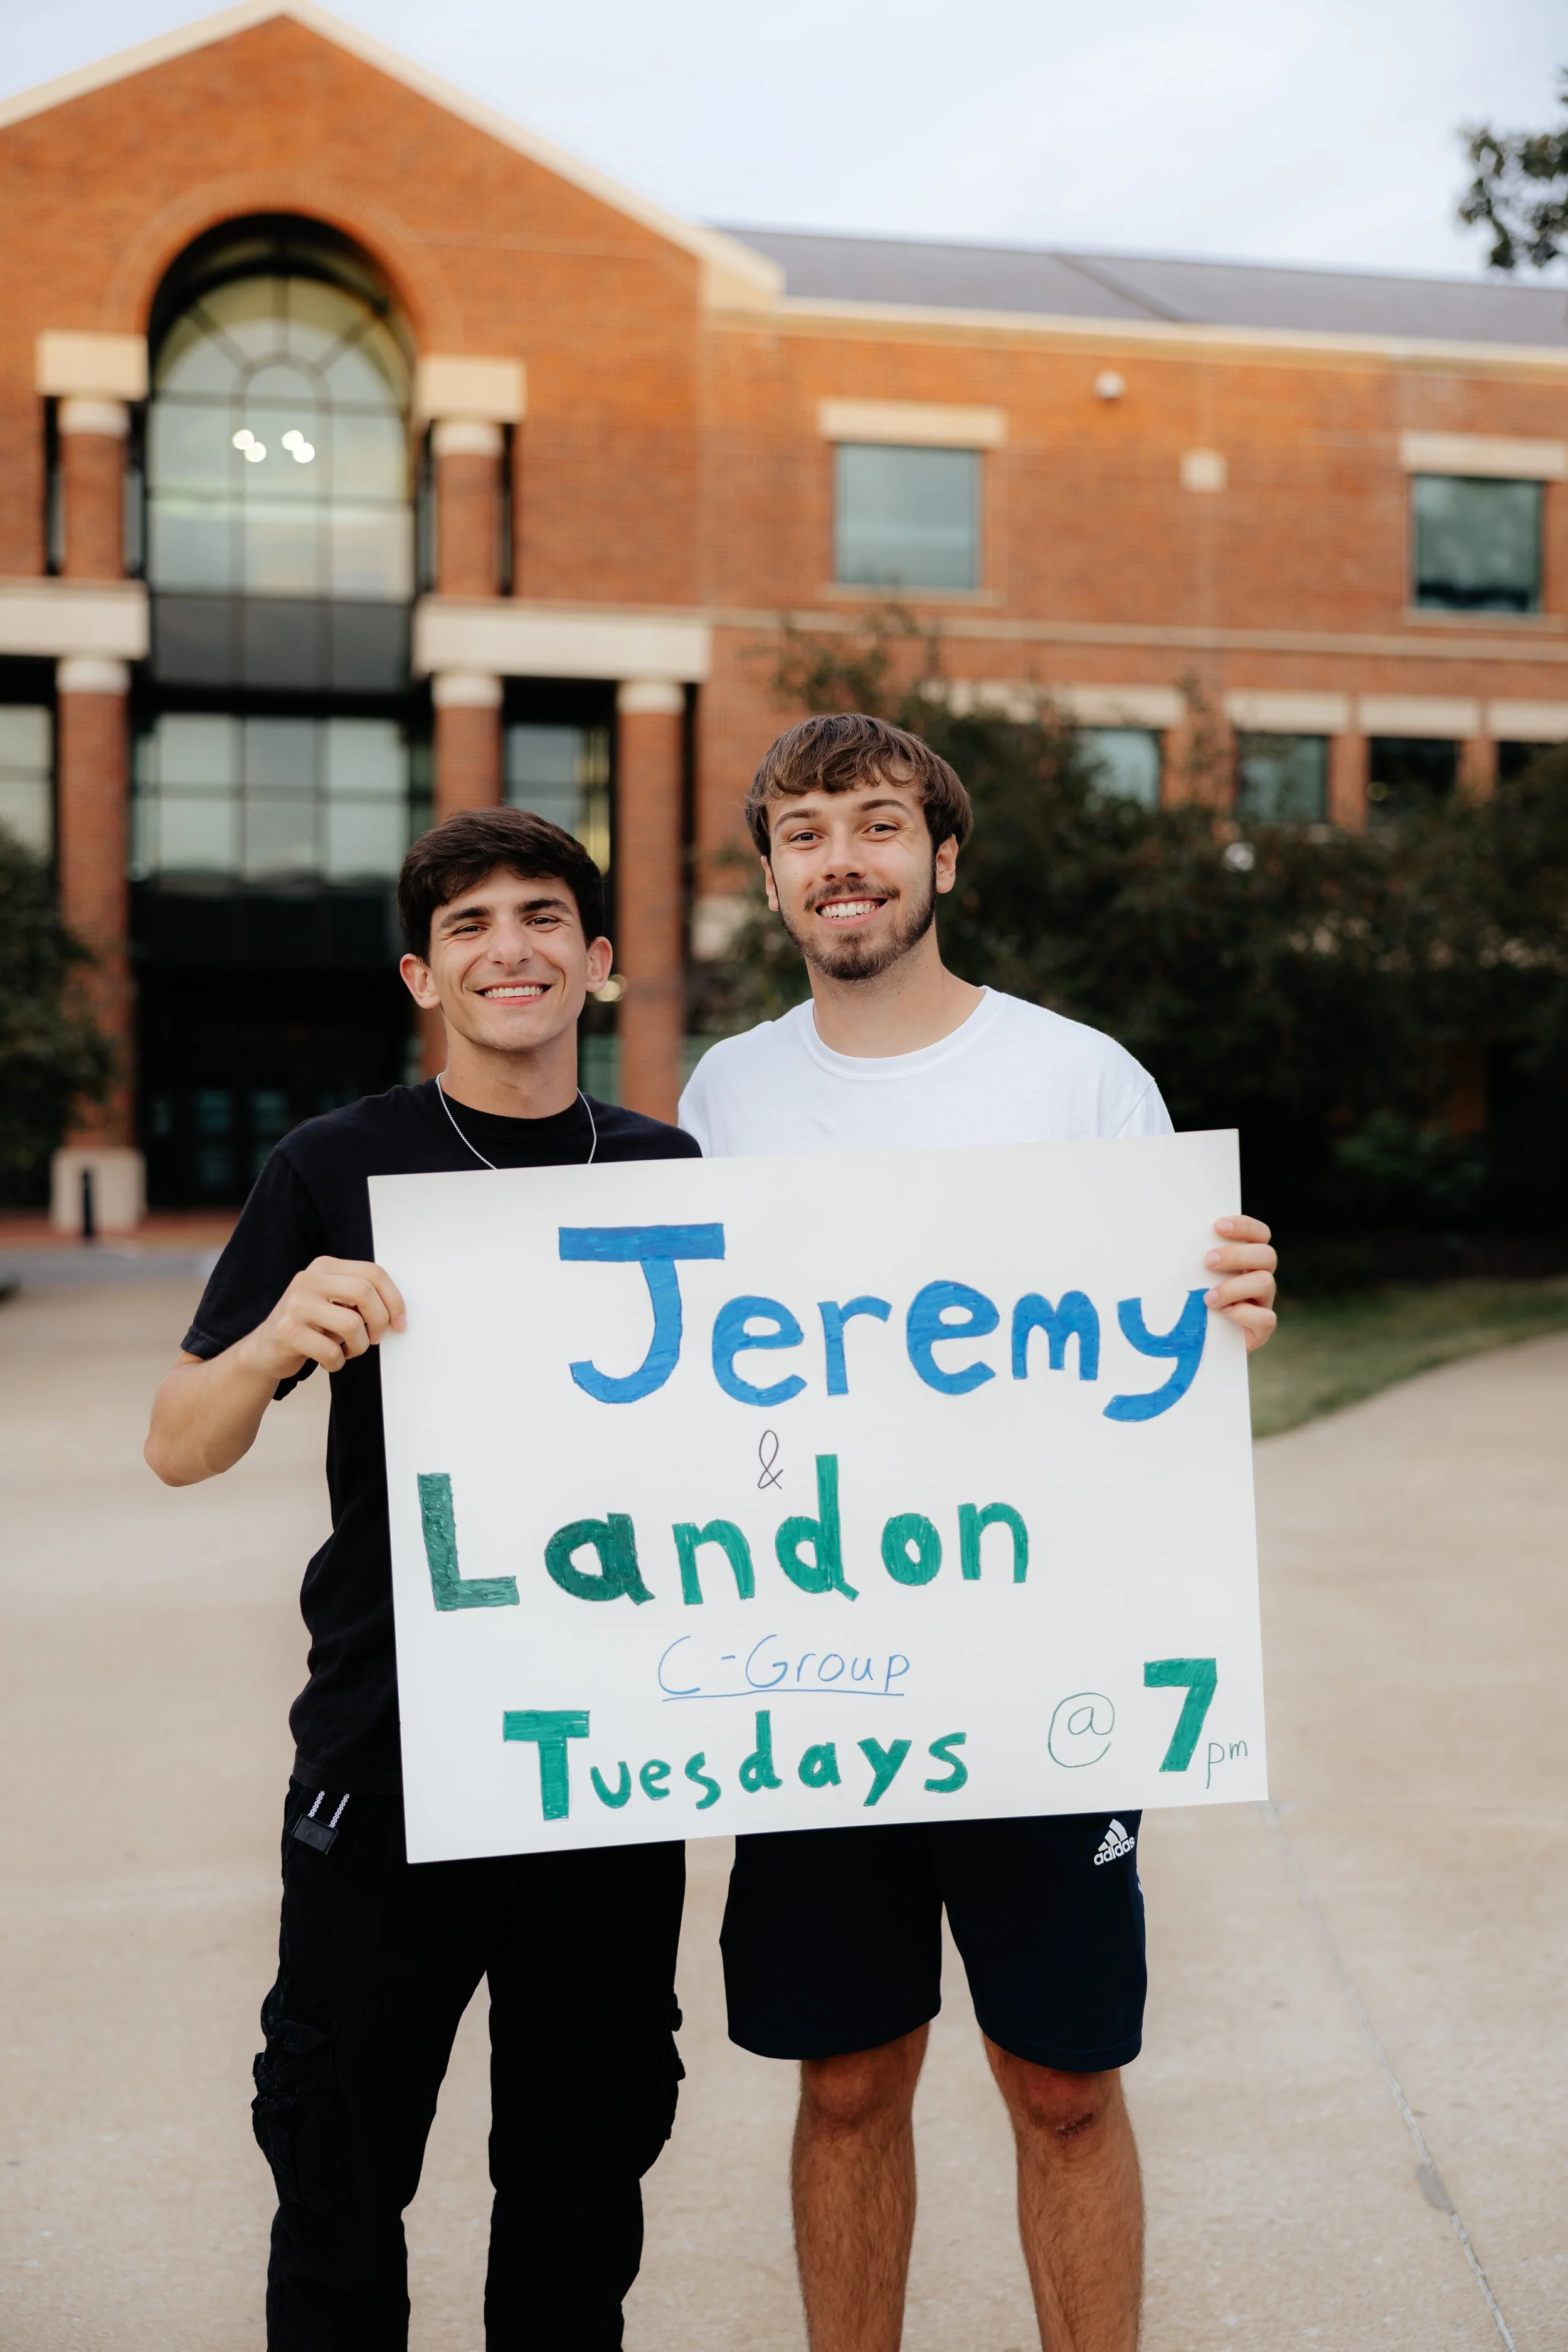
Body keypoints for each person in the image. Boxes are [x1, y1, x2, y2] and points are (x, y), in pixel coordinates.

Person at [677, 713, 1279, 2352]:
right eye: (805, 834)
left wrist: (1227, 1301)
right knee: (851, 2073)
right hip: (816, 1666)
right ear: (773, 877)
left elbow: (1165, 1340)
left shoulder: (1076, 1077)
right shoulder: (723, 1092)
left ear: (943, 857)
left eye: (876, 825)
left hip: (1042, 1666)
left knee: (1065, 2084)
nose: (841, 861)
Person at [144, 807, 699, 2352]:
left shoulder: (668, 1171)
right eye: (467, 926)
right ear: (419, 973)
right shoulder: (332, 1164)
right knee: (336, 2169)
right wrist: (271, 1338)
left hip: (604, 1761)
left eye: (540, 918)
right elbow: (178, 1442)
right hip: (390, 1753)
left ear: (595, 962)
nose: (505, 948)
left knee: (581, 2185)